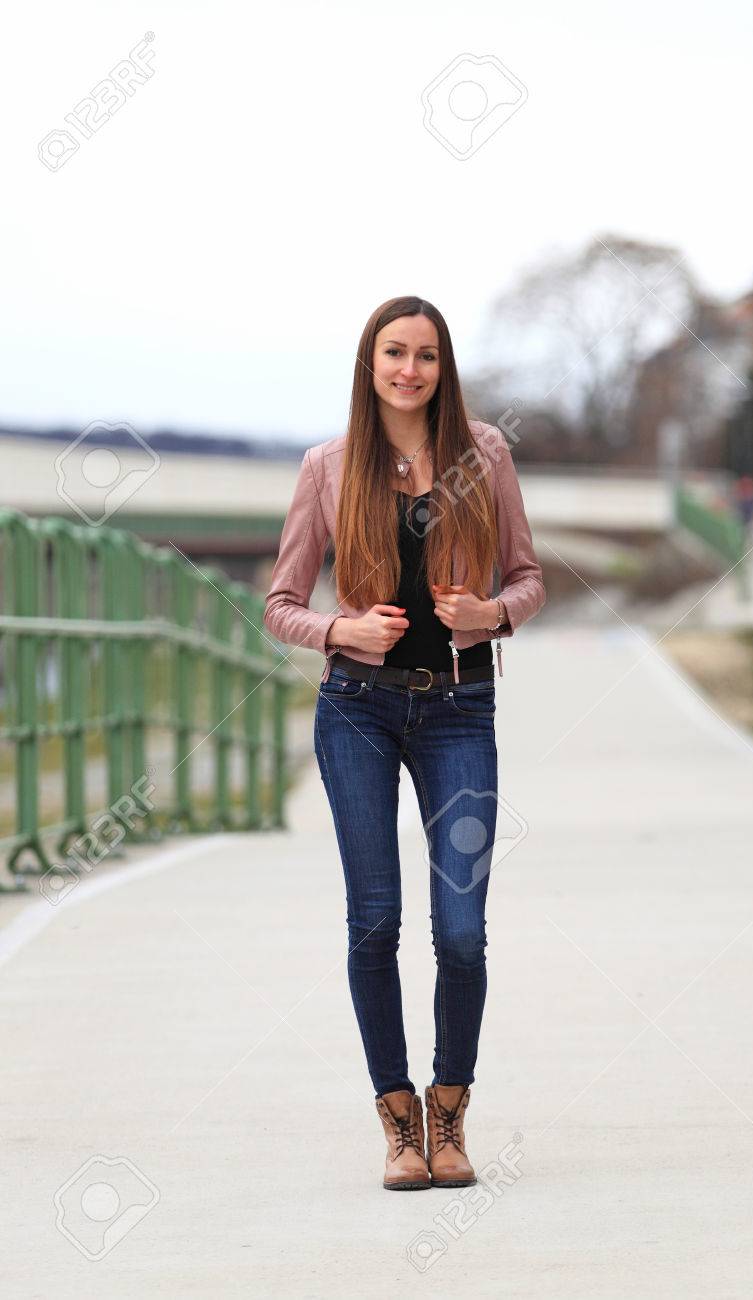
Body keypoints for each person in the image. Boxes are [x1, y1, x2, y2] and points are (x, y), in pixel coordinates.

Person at [263, 295, 546, 1191]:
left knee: (461, 931)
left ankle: (451, 1110)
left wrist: (492, 613)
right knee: (374, 921)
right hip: (356, 710)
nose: (410, 370)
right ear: (371, 361)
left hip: (461, 711)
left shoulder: (485, 453)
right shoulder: (327, 466)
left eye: (426, 355)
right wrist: (339, 632)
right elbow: (279, 606)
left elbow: (532, 578)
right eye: (396, 353)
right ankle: (397, 1121)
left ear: (443, 367)